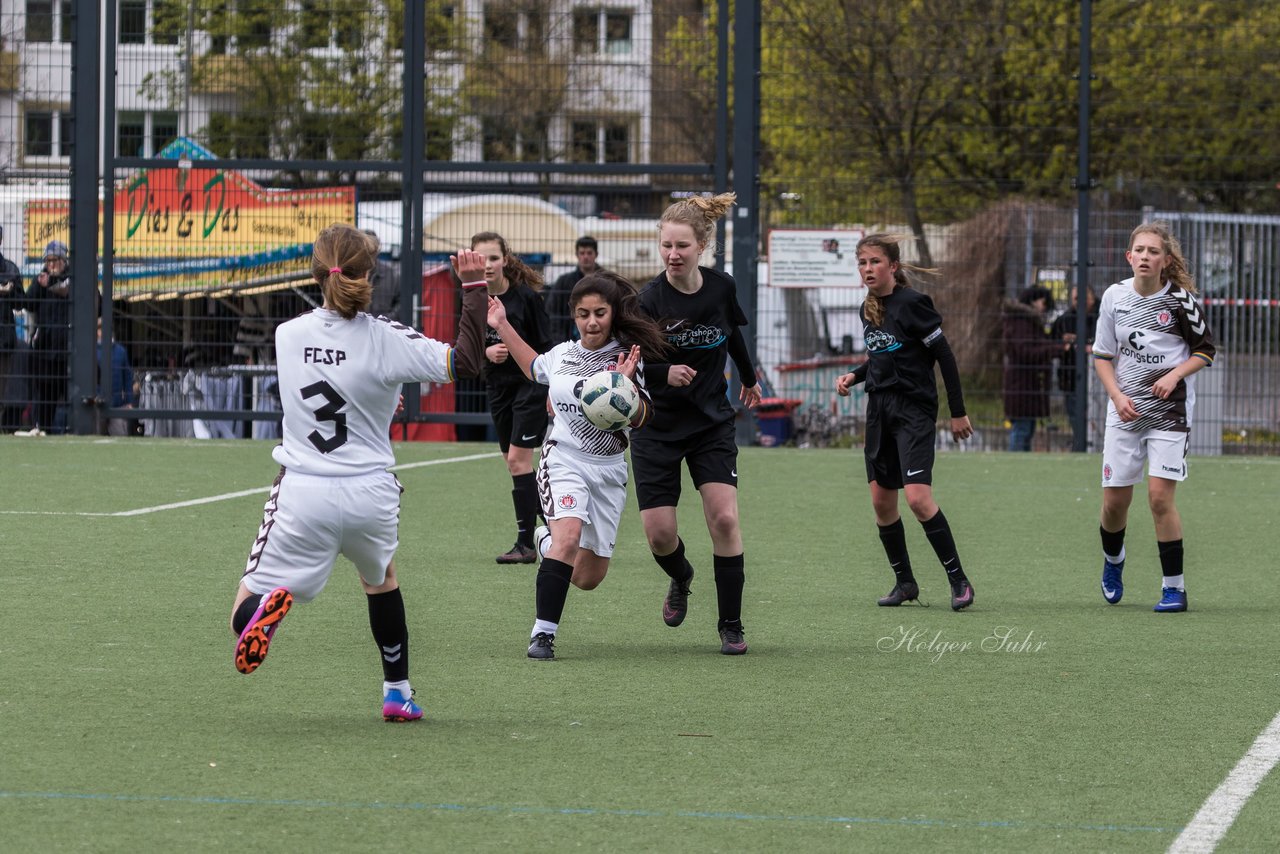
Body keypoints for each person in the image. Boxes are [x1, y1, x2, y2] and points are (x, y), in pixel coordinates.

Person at [230, 223, 488, 722]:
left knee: (244, 604)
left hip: (305, 491)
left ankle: (263, 613)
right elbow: (468, 361)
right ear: (370, 275)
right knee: (382, 580)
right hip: (371, 493)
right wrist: (473, 288)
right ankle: (397, 692)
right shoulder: (385, 337)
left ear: (315, 273)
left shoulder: (288, 336)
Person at [485, 271, 667, 660]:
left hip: (609, 468)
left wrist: (626, 389)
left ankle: (544, 541)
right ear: (574, 315)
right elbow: (533, 367)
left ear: (613, 313)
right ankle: (543, 634)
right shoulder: (563, 354)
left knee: (587, 577)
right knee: (568, 539)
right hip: (564, 458)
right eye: (583, 313)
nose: (592, 321)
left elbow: (644, 418)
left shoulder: (626, 358)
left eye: (600, 312)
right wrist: (501, 324)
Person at [632, 192, 762, 656]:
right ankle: (682, 577)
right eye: (666, 245)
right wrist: (662, 372)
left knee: (725, 518)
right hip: (657, 427)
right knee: (660, 534)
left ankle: (731, 624)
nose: (673, 254)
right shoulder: (646, 300)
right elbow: (629, 364)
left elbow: (732, 336)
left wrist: (748, 378)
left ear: (702, 245)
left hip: (710, 423)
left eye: (682, 246)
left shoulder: (721, 289)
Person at [834, 233, 976, 611]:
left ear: (893, 266)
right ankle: (905, 583)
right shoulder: (868, 308)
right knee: (882, 503)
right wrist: (854, 375)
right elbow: (882, 356)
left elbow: (944, 356)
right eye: (862, 262)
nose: (868, 269)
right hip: (879, 411)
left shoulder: (913, 304)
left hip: (913, 411)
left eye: (875, 262)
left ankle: (959, 581)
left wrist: (957, 411)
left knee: (917, 497)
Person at [1093, 222, 1215, 613]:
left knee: (1160, 498)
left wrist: (1175, 374)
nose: (1145, 256)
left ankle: (1174, 588)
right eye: (1139, 250)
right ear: (1129, 257)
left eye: (1153, 251)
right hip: (1125, 411)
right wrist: (1116, 396)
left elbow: (1206, 350)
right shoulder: (1114, 296)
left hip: (1169, 412)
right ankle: (1114, 562)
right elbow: (1102, 356)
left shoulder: (1180, 302)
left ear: (1166, 260)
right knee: (1115, 504)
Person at [472, 231, 554, 565]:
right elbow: (464, 351)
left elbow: (547, 347)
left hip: (529, 387)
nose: (487, 265)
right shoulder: (472, 300)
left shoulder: (525, 298)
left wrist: (550, 388)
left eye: (493, 258)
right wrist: (485, 353)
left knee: (519, 461)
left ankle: (526, 544)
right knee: (513, 462)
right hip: (498, 388)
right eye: (480, 259)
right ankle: (557, 525)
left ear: (505, 259)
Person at [19, 241, 73, 436]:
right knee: (43, 398)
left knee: (69, 398)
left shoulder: (72, 278)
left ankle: (70, 432)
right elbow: (28, 303)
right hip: (44, 352)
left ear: (63, 260)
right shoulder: (41, 278)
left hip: (67, 352)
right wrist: (40, 285)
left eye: (55, 260)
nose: (51, 265)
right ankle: (41, 429)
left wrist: (52, 284)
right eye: (48, 261)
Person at [1001, 284, 1059, 451]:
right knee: (1022, 430)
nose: (1045, 307)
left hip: (1026, 386)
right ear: (1034, 301)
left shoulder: (1023, 321)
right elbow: (1026, 351)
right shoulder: (1022, 322)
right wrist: (1054, 349)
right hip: (1022, 386)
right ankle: (1015, 466)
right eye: (1043, 302)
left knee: (1026, 429)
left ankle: (1019, 465)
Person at [1051, 284, 1099, 449]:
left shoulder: (1102, 314)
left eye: (1082, 298)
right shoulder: (1064, 319)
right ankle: (1079, 445)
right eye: (1075, 299)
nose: (1078, 302)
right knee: (1075, 417)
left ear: (1092, 298)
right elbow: (1054, 343)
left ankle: (1096, 446)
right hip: (1071, 378)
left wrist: (1082, 342)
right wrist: (1065, 344)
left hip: (1100, 379)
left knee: (1098, 418)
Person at [545, 236, 601, 343]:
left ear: (596, 255)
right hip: (568, 339)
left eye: (589, 253)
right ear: (577, 255)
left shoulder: (608, 281)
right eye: (582, 253)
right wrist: (559, 339)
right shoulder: (563, 282)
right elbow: (553, 312)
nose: (585, 257)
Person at [0, 225, 25, 432]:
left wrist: (8, 292)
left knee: (1, 390)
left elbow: (21, 303)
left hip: (3, 340)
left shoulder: (10, 269)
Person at [96, 317, 138, 436]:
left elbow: (127, 377)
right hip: (98, 403)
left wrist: (129, 401)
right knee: (97, 437)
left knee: (120, 436)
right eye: (100, 328)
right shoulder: (93, 351)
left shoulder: (121, 351)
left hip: (118, 403)